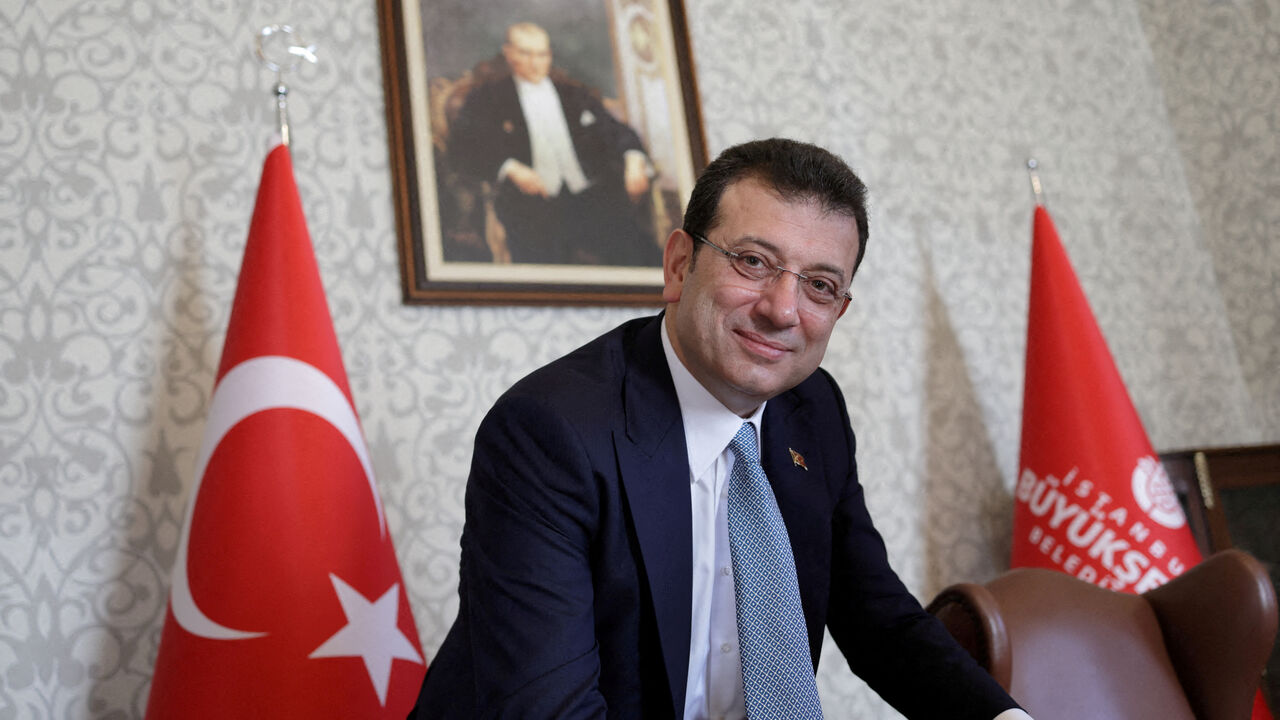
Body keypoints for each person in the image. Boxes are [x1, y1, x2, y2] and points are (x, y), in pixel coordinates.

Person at [409, 139, 1031, 719]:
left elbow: (878, 619)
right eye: (754, 262)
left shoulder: (813, 408)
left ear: (839, 310)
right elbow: (550, 710)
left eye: (819, 285)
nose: (782, 310)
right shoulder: (549, 432)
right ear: (680, 264)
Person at [447, 22, 660, 267]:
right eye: (525, 54)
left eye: (542, 54)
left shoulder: (574, 94)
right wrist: (510, 167)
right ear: (509, 53)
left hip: (591, 199)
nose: (535, 63)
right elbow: (462, 146)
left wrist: (633, 159)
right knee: (545, 271)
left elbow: (616, 131)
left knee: (645, 260)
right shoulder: (488, 97)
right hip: (531, 207)